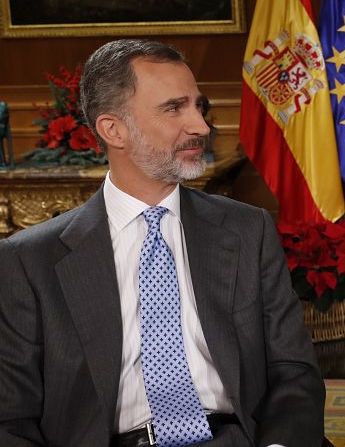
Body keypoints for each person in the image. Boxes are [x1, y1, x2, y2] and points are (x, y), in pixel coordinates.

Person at [0, 39, 325, 447]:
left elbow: (293, 370)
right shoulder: (29, 260)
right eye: (174, 108)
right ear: (112, 129)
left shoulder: (247, 230)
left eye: (199, 106)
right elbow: (10, 418)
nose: (201, 127)